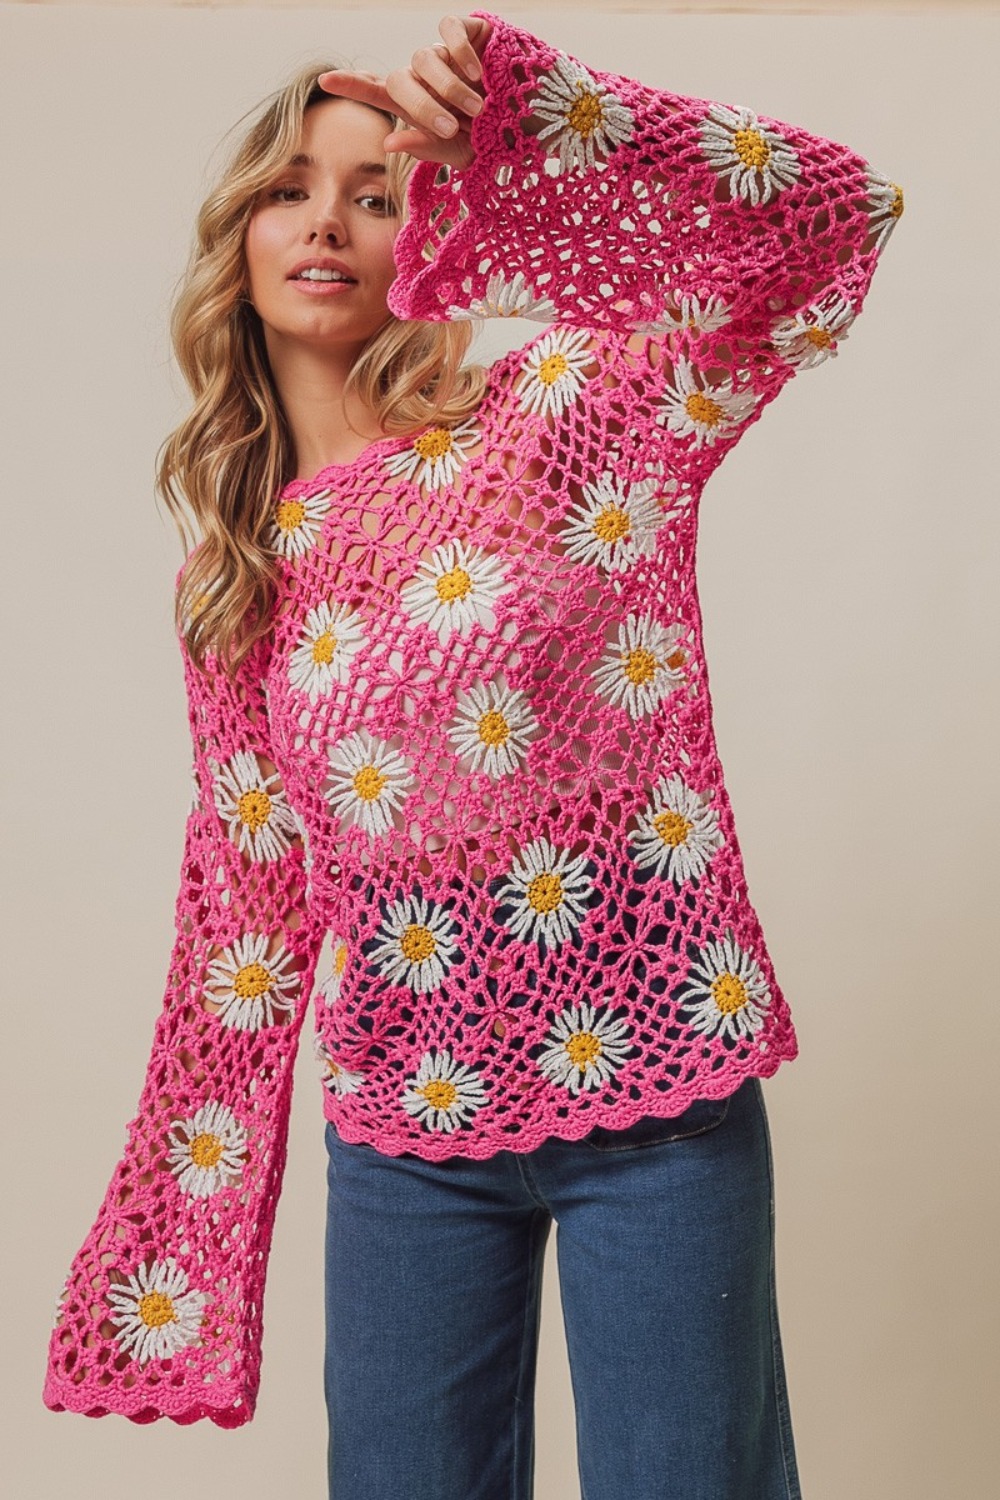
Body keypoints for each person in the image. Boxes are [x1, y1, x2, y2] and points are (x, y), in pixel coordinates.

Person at [42, 10, 904, 1498]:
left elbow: (836, 218)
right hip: (405, 1130)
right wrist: (178, 1249)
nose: (327, 220)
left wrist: (545, 119)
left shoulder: (556, 428)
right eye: (290, 189)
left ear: (433, 234)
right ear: (239, 238)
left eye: (377, 192)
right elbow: (247, 908)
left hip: (655, 1085)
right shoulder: (233, 579)